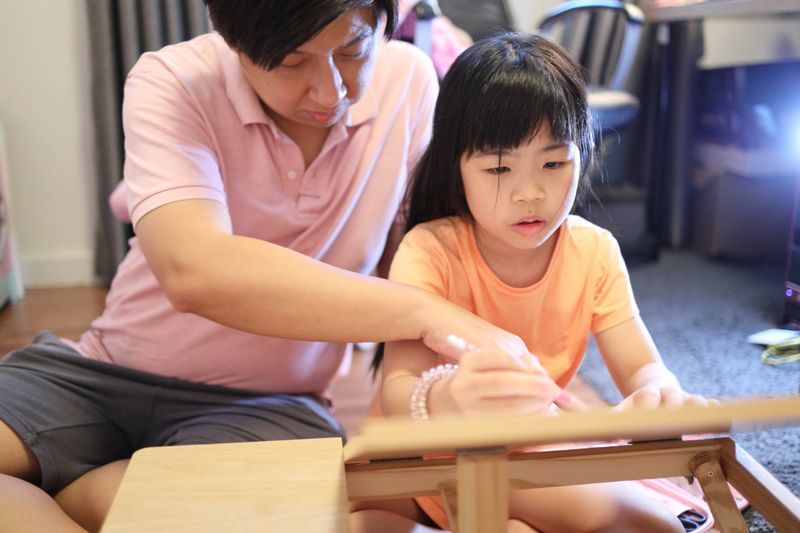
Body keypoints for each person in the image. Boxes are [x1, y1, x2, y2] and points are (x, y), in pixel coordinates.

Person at [0, 2, 535, 532]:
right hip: (102, 372)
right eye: (291, 63)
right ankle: (106, 494)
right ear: (233, 39)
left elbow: (419, 257)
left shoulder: (409, 83)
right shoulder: (176, 78)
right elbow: (195, 271)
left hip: (270, 403)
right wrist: (426, 312)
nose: (329, 92)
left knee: (259, 516)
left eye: (353, 51)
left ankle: (90, 489)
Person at [379, 32, 717, 532]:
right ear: (458, 168)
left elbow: (642, 368)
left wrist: (658, 398)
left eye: (554, 163)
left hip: (545, 455)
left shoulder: (594, 250)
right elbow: (396, 392)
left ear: (583, 155)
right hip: (440, 464)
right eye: (498, 167)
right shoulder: (430, 250)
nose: (530, 193)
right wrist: (451, 399)